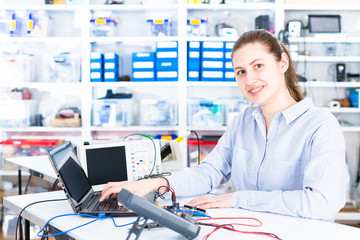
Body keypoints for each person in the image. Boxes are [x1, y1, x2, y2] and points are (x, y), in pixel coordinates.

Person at [100, 29, 348, 221]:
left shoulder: (320, 126)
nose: (249, 79)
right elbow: (208, 173)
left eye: (258, 65)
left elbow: (321, 203)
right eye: (240, 71)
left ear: (282, 63)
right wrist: (154, 183)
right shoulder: (243, 122)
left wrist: (237, 199)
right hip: (247, 230)